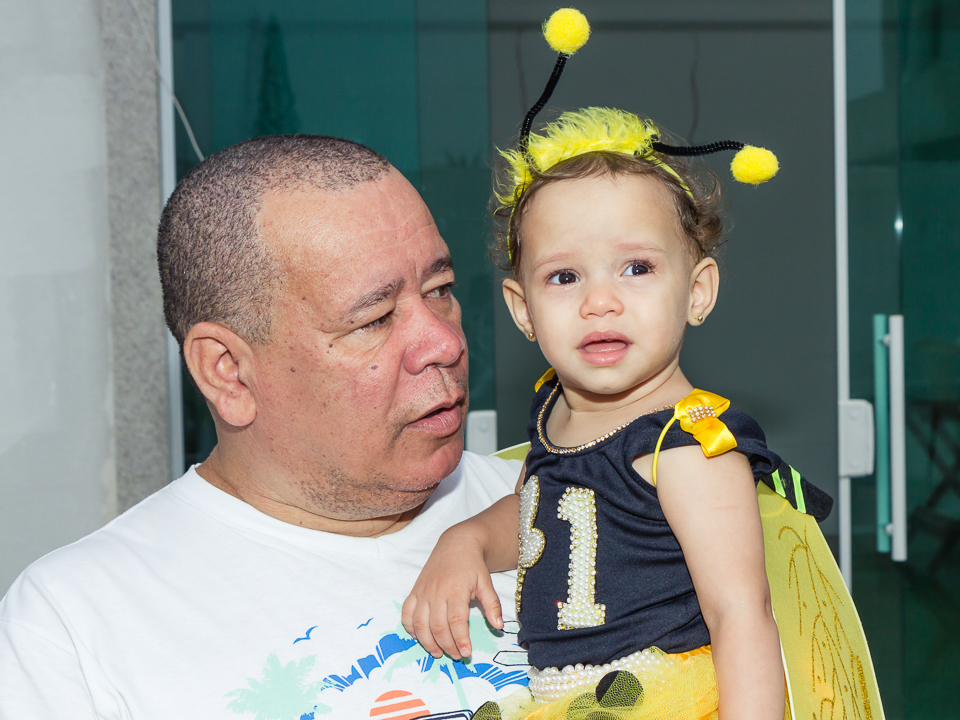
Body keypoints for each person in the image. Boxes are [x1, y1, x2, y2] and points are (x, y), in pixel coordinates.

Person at [0, 135, 532, 719]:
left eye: (440, 290)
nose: (446, 341)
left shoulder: (576, 503)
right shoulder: (74, 629)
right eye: (374, 319)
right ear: (228, 373)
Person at [401, 107, 820, 720]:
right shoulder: (553, 414)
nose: (601, 301)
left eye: (637, 268)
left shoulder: (686, 443)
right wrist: (463, 539)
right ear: (523, 310)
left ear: (697, 291)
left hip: (661, 698)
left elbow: (741, 615)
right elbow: (536, 514)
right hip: (567, 701)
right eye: (565, 276)